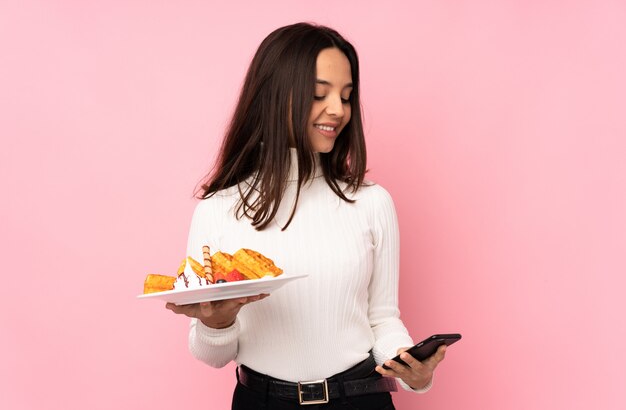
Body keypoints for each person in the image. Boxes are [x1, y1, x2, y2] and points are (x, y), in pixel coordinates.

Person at [166, 22, 447, 409]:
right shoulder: (218, 210)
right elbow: (212, 354)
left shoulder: (372, 204)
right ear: (273, 95)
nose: (338, 110)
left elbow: (382, 319)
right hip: (260, 401)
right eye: (319, 94)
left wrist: (413, 368)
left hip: (359, 400)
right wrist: (217, 324)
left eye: (347, 97)